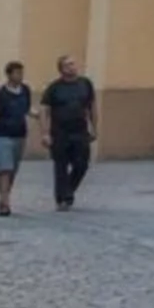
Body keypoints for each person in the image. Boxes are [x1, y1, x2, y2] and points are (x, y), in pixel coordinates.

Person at [0, 61, 35, 217]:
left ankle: (4, 195)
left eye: (21, 73)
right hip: (1, 135)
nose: (20, 76)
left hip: (19, 135)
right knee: (5, 169)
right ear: (9, 75)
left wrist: (39, 116)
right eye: (17, 73)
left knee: (12, 170)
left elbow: (27, 109)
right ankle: (4, 203)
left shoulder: (25, 90)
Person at [43, 55, 98, 211]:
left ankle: (68, 189)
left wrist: (94, 127)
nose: (72, 67)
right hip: (60, 132)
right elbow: (45, 109)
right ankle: (62, 198)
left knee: (82, 164)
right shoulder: (54, 88)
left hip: (80, 131)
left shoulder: (85, 84)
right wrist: (45, 132)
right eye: (68, 65)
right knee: (61, 165)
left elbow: (92, 106)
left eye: (73, 64)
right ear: (61, 69)